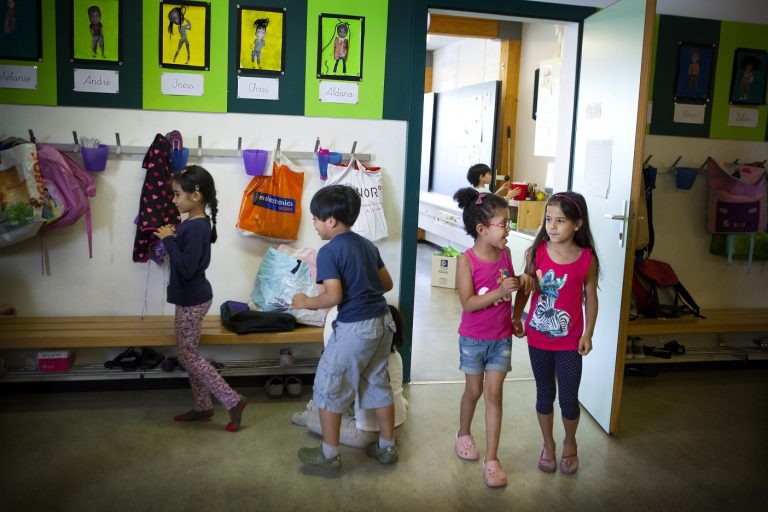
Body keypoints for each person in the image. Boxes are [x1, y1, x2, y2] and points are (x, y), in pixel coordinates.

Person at [292, 184, 397, 470]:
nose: (313, 224)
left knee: (329, 386)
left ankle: (328, 455)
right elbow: (386, 284)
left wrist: (304, 301)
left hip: (356, 327)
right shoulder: (366, 245)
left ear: (331, 221)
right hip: (382, 322)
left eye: (315, 218)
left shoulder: (328, 252)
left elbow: (333, 297)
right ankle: (387, 448)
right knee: (377, 383)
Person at [154, 166, 247, 433]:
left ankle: (232, 399)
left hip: (193, 300)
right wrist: (174, 236)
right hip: (190, 298)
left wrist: (169, 239)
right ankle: (203, 406)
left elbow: (186, 267)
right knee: (188, 353)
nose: (173, 200)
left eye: (177, 194)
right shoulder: (193, 224)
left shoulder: (196, 228)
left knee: (186, 354)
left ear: (196, 196)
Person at [513, 191, 599, 475]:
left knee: (569, 399)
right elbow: (526, 287)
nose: (551, 226)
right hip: (538, 339)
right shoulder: (537, 252)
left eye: (560, 221)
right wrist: (516, 316)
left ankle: (570, 442)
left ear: (577, 224)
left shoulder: (587, 259)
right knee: (544, 394)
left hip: (570, 342)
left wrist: (588, 334)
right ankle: (548, 444)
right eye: (548, 219)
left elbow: (591, 298)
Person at [451, 187, 522, 488]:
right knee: (474, 391)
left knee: (494, 394)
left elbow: (513, 285)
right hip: (473, 340)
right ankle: (463, 432)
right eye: (503, 223)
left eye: (508, 222)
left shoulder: (505, 253)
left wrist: (517, 313)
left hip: (501, 338)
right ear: (481, 229)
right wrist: (500, 292)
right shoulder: (466, 261)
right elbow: (468, 302)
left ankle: (492, 459)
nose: (509, 228)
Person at [291, 305, 408, 448]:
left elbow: (340, 394)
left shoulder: (360, 360)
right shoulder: (397, 356)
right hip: (396, 428)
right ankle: (388, 438)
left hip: (365, 434)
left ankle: (313, 418)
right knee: (390, 395)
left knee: (317, 418)